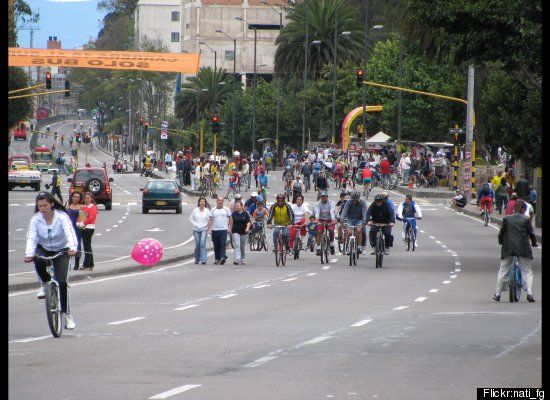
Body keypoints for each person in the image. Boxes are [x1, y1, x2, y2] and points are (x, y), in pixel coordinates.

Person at [24, 191, 78, 329]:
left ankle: (67, 315)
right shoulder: (36, 219)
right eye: (40, 206)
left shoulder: (62, 217)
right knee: (38, 259)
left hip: (62, 248)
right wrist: (29, 254)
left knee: (62, 282)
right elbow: (32, 237)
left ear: (52, 204)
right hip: (44, 247)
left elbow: (69, 232)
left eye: (45, 205)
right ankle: (45, 284)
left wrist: (73, 248)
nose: (42, 208)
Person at [493, 200, 538, 302]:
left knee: (503, 270)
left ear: (515, 208)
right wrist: (534, 243)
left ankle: (498, 293)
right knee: (527, 271)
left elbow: (501, 233)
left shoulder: (507, 219)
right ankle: (529, 293)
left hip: (508, 248)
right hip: (523, 248)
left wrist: (501, 242)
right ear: (523, 209)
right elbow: (531, 234)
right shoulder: (526, 219)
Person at [77, 192, 98, 271]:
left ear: (91, 199)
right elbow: (81, 216)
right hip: (83, 227)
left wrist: (83, 223)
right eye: (85, 198)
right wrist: (78, 222)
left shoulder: (93, 207)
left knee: (87, 247)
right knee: (87, 246)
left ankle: (86, 265)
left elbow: (91, 218)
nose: (86, 200)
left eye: (88, 198)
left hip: (89, 228)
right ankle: (90, 264)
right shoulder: (83, 206)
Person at [209, 196, 232, 265]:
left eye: (222, 201)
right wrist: (209, 229)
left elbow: (230, 218)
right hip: (215, 230)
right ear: (216, 201)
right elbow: (210, 220)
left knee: (223, 243)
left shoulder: (226, 209)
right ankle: (217, 258)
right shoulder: (213, 210)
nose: (220, 202)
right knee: (216, 245)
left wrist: (230, 228)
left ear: (223, 202)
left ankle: (222, 257)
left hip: (223, 229)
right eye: (219, 200)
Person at [189, 197, 212, 265]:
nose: (202, 202)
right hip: (196, 230)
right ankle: (197, 258)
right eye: (201, 201)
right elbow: (190, 219)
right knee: (197, 244)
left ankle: (203, 259)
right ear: (199, 203)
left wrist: (205, 226)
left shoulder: (207, 211)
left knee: (202, 243)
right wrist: (196, 225)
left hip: (204, 229)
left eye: (203, 201)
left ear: (205, 203)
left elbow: (209, 220)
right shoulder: (195, 210)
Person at [314, 191, 337, 255]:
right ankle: (318, 247)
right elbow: (317, 212)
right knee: (319, 231)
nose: (323, 198)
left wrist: (333, 220)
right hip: (321, 220)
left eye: (325, 196)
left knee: (331, 230)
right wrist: (317, 220)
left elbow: (332, 211)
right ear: (320, 197)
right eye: (322, 197)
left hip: (329, 219)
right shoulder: (318, 203)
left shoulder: (331, 203)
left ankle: (331, 244)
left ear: (327, 197)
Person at [65, 191, 83, 270]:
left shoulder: (81, 207)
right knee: (67, 245)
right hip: (68, 229)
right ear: (72, 197)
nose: (76, 198)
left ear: (80, 199)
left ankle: (76, 264)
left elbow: (83, 219)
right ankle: (66, 263)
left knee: (77, 245)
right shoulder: (67, 206)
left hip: (77, 229)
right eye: (74, 197)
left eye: (77, 197)